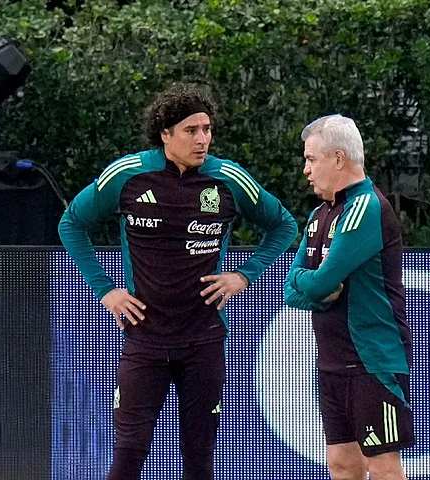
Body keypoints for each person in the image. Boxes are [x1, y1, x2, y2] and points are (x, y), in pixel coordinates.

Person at [59, 82, 297, 480]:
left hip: (203, 339)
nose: (202, 139)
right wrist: (106, 289)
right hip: (145, 338)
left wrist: (244, 274)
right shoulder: (128, 175)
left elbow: (284, 225)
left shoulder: (228, 178)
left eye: (207, 129)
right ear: (165, 134)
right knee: (129, 454)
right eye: (191, 130)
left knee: (199, 458)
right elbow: (71, 223)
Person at [284, 114, 413, 480]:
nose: (306, 170)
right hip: (332, 361)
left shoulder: (365, 206)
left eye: (311, 159)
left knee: (383, 467)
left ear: (338, 158)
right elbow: (290, 287)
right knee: (341, 463)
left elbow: (319, 281)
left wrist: (314, 286)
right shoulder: (319, 214)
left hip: (371, 361)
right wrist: (317, 290)